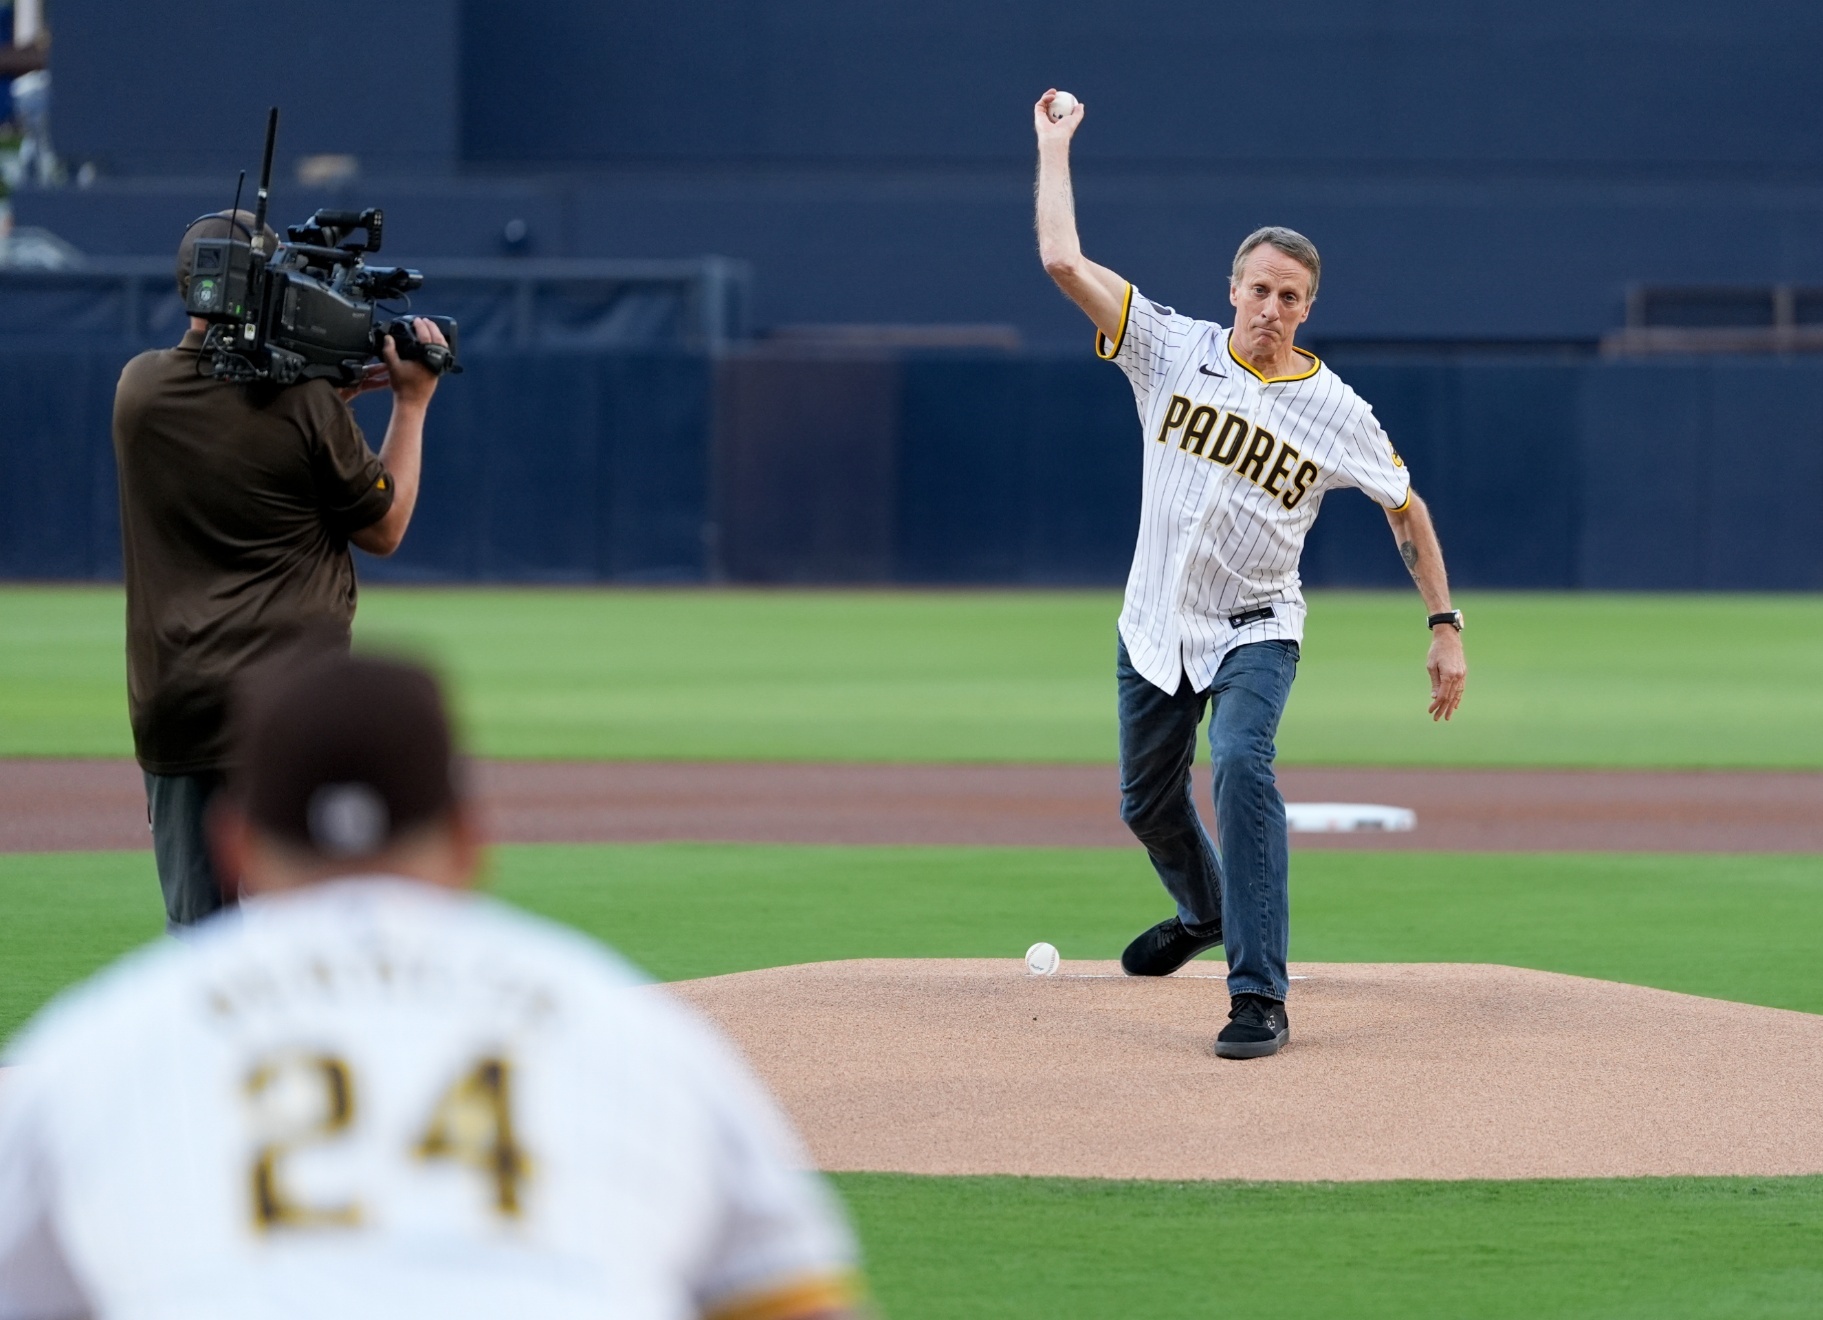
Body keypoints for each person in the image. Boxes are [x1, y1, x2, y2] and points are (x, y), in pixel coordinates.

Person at [0, 650, 866, 1320]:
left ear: (234, 846)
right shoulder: (634, 1033)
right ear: (469, 838)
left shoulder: (97, 1044)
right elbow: (799, 1301)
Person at [1032, 90, 1468, 1059]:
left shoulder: (1336, 410)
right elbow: (1061, 260)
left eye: (1291, 296)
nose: (1272, 307)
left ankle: (1258, 997)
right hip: (1154, 621)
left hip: (1255, 623)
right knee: (1144, 805)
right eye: (1260, 288)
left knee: (1239, 766)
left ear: (1310, 308)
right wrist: (1053, 145)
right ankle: (1204, 913)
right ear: (1232, 287)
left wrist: (1445, 627)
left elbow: (1409, 510)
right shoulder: (1167, 349)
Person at [113, 207, 450, 933]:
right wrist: (412, 404)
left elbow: (228, 412)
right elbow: (384, 527)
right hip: (286, 704)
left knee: (197, 942)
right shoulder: (301, 408)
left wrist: (325, 398)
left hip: (174, 700)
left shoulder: (137, 392)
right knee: (298, 937)